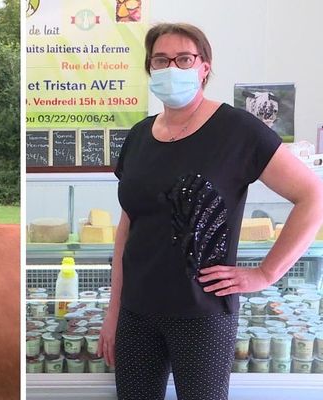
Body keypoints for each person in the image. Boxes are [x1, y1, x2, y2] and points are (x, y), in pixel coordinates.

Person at [97, 23, 323, 399]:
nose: (172, 67)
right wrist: (113, 310)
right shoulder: (138, 136)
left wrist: (266, 274)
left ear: (204, 66)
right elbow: (128, 226)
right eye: (160, 59)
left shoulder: (237, 130)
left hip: (201, 315)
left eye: (184, 58)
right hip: (137, 313)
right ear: (149, 68)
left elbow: (313, 195)